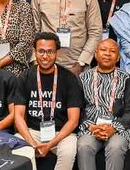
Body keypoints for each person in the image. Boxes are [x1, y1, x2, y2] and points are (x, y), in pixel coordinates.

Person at [13, 32, 84, 170]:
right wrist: (32, 143)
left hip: (61, 134)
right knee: (17, 147)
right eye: (41, 51)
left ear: (57, 52)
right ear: (35, 52)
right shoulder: (24, 77)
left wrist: (50, 144)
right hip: (33, 132)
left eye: (50, 51)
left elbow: (73, 120)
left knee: (69, 151)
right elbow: (18, 117)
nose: (45, 56)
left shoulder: (69, 78)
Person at [76, 39, 130, 170]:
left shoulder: (126, 79)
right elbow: (78, 109)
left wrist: (113, 127)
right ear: (95, 54)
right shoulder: (83, 78)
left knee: (115, 147)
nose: (107, 54)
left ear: (118, 57)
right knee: (84, 146)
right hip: (91, 128)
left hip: (118, 129)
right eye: (103, 50)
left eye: (112, 51)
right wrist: (92, 127)